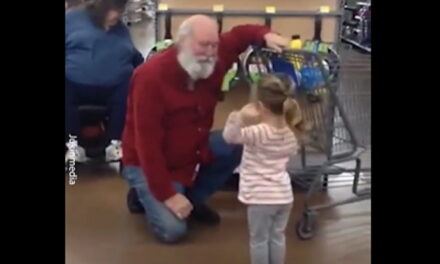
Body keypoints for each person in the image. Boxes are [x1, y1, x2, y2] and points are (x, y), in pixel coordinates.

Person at [121, 14, 289, 244]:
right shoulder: (149, 78)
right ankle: (144, 194)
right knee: (173, 231)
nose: (211, 52)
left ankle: (191, 199)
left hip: (191, 151)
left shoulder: (215, 58)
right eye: (203, 45)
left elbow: (239, 35)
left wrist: (265, 35)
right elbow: (146, 147)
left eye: (214, 45)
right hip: (148, 161)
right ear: (182, 42)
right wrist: (167, 195)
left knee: (237, 142)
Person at [222, 74, 308, 264]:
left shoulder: (257, 133)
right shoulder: (292, 133)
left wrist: (238, 117)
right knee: (277, 237)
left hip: (261, 198)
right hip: (284, 196)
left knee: (259, 241)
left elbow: (229, 137)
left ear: (260, 106)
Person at [65, 0, 144, 163]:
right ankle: (73, 146)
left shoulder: (120, 29)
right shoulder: (73, 20)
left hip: (115, 86)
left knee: (130, 88)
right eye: (115, 9)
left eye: (121, 9)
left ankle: (114, 144)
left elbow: (135, 56)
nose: (118, 14)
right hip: (74, 82)